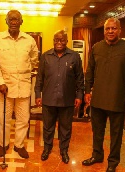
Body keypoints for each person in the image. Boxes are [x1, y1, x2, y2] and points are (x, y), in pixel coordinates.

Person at [82, 17, 125, 172]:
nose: (110, 31)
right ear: (104, 31)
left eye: (113, 28)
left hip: (118, 99)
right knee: (97, 131)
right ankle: (97, 155)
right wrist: (87, 91)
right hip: (98, 98)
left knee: (116, 134)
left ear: (119, 30)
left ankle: (113, 162)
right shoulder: (96, 47)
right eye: (107, 29)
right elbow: (90, 71)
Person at [0, 10, 38, 159]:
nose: (14, 22)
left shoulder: (29, 40)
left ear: (21, 22)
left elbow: (35, 59)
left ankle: (19, 145)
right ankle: (4, 144)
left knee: (23, 119)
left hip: (23, 85)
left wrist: (26, 70)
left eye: (17, 19)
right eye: (11, 19)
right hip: (5, 87)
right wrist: (0, 81)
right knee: (4, 118)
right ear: (6, 21)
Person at [34, 30, 84, 164]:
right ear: (53, 41)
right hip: (48, 99)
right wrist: (38, 94)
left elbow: (80, 79)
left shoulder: (74, 57)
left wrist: (79, 95)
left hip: (67, 100)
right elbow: (40, 78)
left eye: (62, 40)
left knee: (65, 128)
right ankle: (47, 148)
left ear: (67, 41)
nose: (59, 42)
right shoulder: (45, 56)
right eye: (56, 40)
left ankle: (64, 150)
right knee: (48, 127)